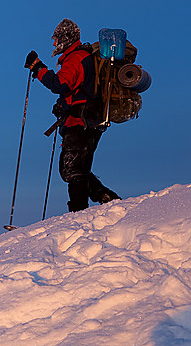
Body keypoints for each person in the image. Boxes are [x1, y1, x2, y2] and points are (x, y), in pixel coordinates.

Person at [25, 18, 120, 212]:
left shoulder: (75, 57)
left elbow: (61, 84)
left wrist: (38, 68)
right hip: (86, 120)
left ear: (66, 38)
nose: (54, 43)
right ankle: (105, 198)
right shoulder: (80, 57)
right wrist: (63, 105)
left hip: (81, 122)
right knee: (73, 168)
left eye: (56, 38)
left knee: (73, 170)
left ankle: (79, 212)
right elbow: (74, 90)